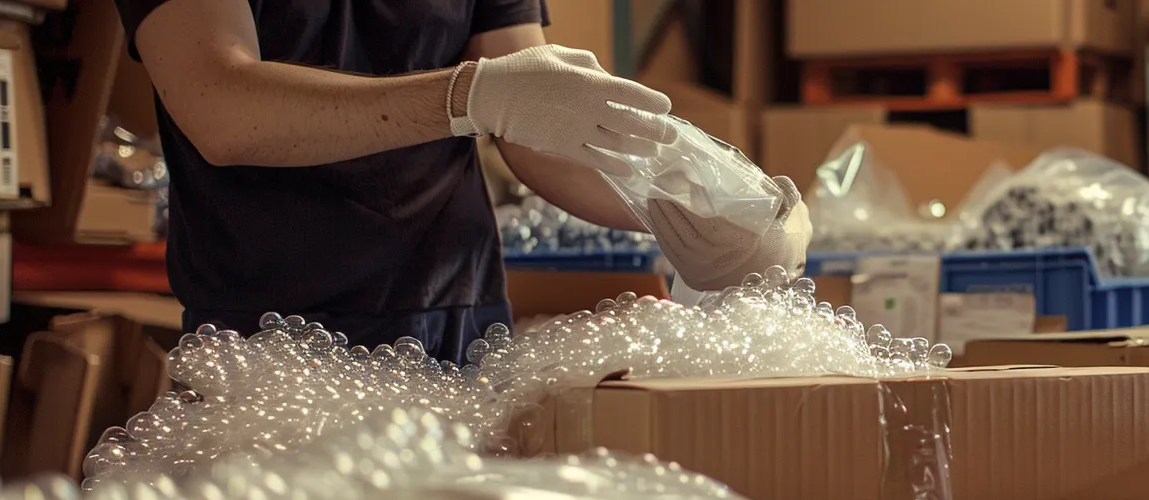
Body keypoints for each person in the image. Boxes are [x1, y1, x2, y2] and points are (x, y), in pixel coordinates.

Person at [117, 0, 809, 363]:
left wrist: (700, 206)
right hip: (266, 341)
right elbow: (221, 105)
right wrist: (466, 95)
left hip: (460, 326)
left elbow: (535, 122)